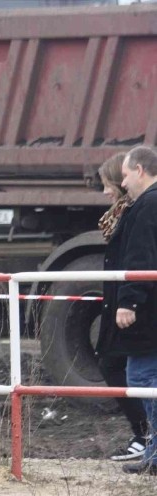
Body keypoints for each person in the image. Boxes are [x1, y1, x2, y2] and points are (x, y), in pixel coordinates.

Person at [96, 145, 157, 475]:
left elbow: (141, 257)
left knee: (143, 378)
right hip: (145, 305)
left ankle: (153, 449)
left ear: (138, 171)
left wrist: (128, 301)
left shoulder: (147, 206)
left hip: (145, 310)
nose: (120, 185)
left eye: (122, 177)